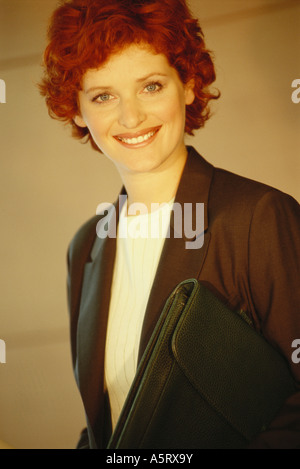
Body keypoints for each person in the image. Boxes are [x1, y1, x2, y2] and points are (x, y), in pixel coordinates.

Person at [39, 0, 300, 449]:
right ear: (77, 110)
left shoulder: (260, 216)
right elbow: (109, 427)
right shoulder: (85, 247)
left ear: (189, 86)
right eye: (103, 95)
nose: (130, 117)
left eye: (151, 86)